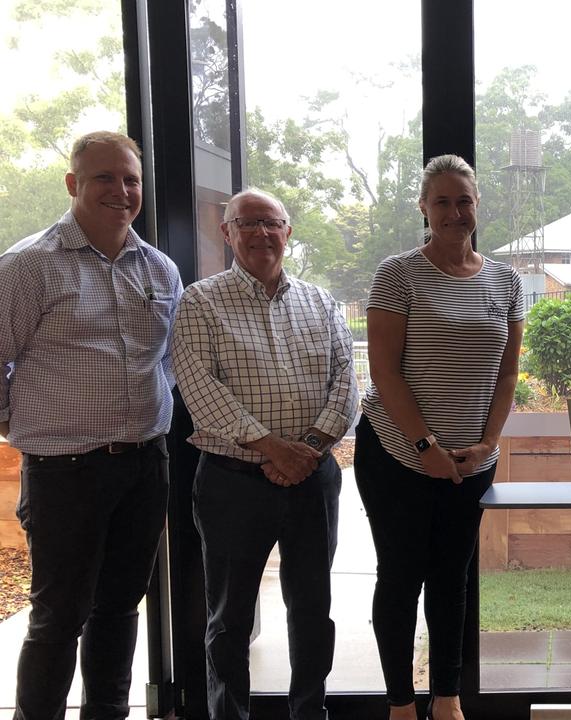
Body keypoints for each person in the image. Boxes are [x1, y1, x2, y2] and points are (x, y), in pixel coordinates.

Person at [0, 131, 181, 720]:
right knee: (59, 616)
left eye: (131, 180)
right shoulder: (28, 265)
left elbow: (171, 362)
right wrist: (21, 425)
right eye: (105, 178)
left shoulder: (159, 269)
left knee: (121, 607)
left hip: (143, 465)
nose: (121, 191)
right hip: (63, 472)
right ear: (74, 184)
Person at [172, 188, 357, 720]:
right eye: (246, 223)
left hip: (314, 477)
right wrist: (276, 449)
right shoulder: (201, 301)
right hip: (231, 482)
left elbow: (346, 383)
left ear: (288, 233)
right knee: (229, 617)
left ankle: (309, 711)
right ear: (226, 233)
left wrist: (311, 449)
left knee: (313, 611)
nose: (260, 233)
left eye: (271, 223)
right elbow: (198, 387)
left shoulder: (321, 303)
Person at [354, 154, 524, 720]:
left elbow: (506, 373)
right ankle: (401, 704)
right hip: (399, 456)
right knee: (400, 579)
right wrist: (426, 448)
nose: (455, 212)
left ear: (478, 207)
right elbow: (384, 371)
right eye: (443, 202)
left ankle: (447, 700)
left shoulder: (506, 279)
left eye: (464, 201)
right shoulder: (399, 273)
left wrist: (487, 444)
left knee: (453, 579)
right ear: (424, 209)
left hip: (471, 461)